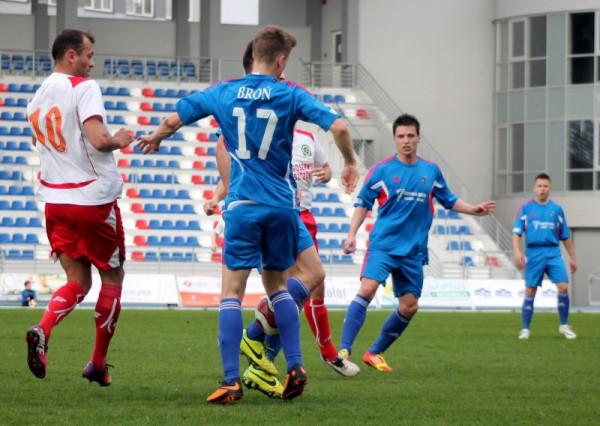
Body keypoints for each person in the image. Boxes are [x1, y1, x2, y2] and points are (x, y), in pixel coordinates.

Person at [137, 25, 359, 404]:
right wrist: (351, 161)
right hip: (281, 207)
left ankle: (230, 381)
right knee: (276, 288)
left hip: (242, 206)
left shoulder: (224, 91)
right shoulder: (289, 93)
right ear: (281, 61)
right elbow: (338, 126)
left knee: (231, 294)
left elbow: (175, 119)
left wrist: (156, 137)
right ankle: (295, 366)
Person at [202, 41, 359, 400]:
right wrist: (218, 197)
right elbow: (232, 173)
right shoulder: (239, 124)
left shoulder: (298, 131)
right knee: (279, 286)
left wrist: (326, 172)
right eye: (279, 71)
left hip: (293, 211)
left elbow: (319, 166)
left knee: (313, 276)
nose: (283, 79)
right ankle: (268, 357)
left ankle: (257, 346)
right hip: (270, 210)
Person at [339, 114, 496, 372]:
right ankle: (344, 350)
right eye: (401, 136)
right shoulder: (382, 170)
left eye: (410, 136)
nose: (406, 141)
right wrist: (351, 235)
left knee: (409, 306)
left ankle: (374, 353)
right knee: (367, 289)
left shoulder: (430, 171)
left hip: (413, 251)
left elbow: (449, 199)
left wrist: (473, 210)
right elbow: (362, 204)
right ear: (394, 139)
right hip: (384, 245)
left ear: (419, 138)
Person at [25, 29, 134, 385]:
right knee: (112, 278)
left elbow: (39, 143)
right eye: (88, 54)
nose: (92, 61)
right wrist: (119, 138)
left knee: (76, 280)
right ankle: (98, 364)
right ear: (71, 55)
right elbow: (98, 140)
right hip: (92, 200)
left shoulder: (37, 97)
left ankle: (43, 329)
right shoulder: (84, 87)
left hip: (55, 203)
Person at [512, 173, 577, 340]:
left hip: (553, 253)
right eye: (539, 186)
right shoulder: (526, 208)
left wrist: (572, 257)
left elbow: (565, 235)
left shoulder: (556, 209)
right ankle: (525, 329)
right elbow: (517, 232)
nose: (542, 189)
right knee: (530, 291)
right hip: (534, 253)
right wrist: (517, 251)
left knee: (563, 286)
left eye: (545, 186)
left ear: (550, 188)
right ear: (534, 188)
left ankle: (564, 325)